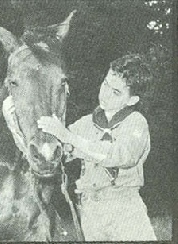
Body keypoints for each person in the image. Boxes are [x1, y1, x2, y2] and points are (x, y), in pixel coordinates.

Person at [38, 54, 157, 241]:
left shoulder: (136, 123)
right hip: (90, 211)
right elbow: (57, 149)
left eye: (116, 92)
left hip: (125, 209)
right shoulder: (86, 123)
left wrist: (70, 138)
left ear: (132, 100)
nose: (105, 94)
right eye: (105, 84)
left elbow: (119, 155)